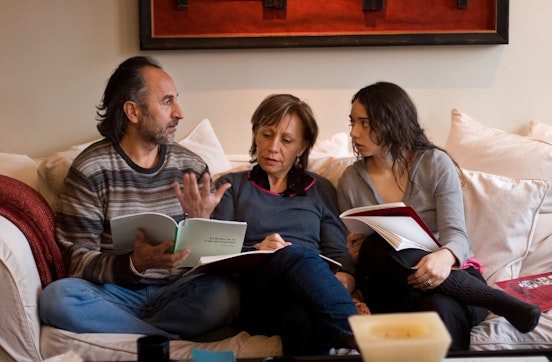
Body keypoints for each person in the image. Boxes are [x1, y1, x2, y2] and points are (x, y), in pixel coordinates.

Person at [39, 56, 240, 340]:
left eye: (176, 100)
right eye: (167, 101)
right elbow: (77, 260)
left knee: (225, 294)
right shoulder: (91, 169)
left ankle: (134, 335)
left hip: (176, 291)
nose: (179, 112)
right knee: (57, 298)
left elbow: (218, 261)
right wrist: (134, 263)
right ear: (133, 112)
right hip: (113, 294)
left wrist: (201, 224)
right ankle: (164, 342)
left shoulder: (192, 168)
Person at [336, 82, 541, 351]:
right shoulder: (350, 180)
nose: (354, 132)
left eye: (365, 123)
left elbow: (456, 235)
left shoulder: (434, 164)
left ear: (392, 122)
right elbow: (348, 248)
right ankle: (496, 300)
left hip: (450, 277)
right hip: (391, 287)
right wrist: (353, 256)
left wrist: (444, 257)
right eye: (352, 122)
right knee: (375, 246)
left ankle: (484, 298)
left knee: (440, 310)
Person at [212, 94, 359, 355]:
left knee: (300, 318)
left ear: (302, 148)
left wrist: (347, 279)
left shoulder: (321, 189)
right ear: (256, 133)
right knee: (295, 254)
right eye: (266, 134)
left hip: (309, 295)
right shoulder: (231, 186)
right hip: (255, 296)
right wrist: (256, 249)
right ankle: (361, 336)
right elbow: (216, 254)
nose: (273, 147)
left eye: (287, 140)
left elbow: (339, 252)